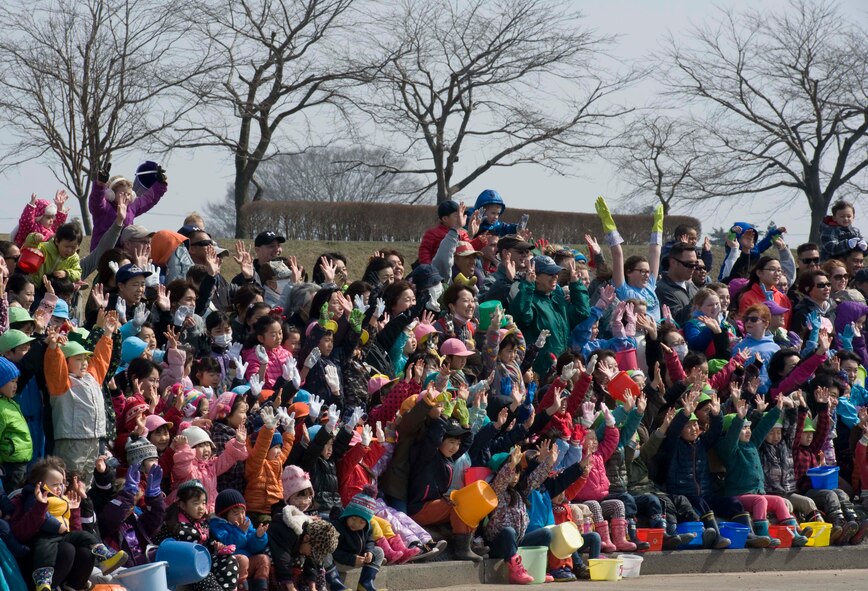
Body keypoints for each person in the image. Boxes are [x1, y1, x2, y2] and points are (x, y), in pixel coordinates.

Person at [510, 255, 590, 377]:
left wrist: (576, 285)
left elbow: (582, 313)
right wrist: (528, 285)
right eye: (550, 273)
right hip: (539, 372)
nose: (555, 277)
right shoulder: (529, 299)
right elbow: (522, 316)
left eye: (556, 273)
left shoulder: (557, 299)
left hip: (561, 368)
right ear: (536, 276)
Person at [655, 242, 699, 326]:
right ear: (673, 262)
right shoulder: (661, 289)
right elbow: (677, 321)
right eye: (688, 264)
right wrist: (699, 299)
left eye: (696, 264)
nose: (693, 268)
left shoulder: (691, 286)